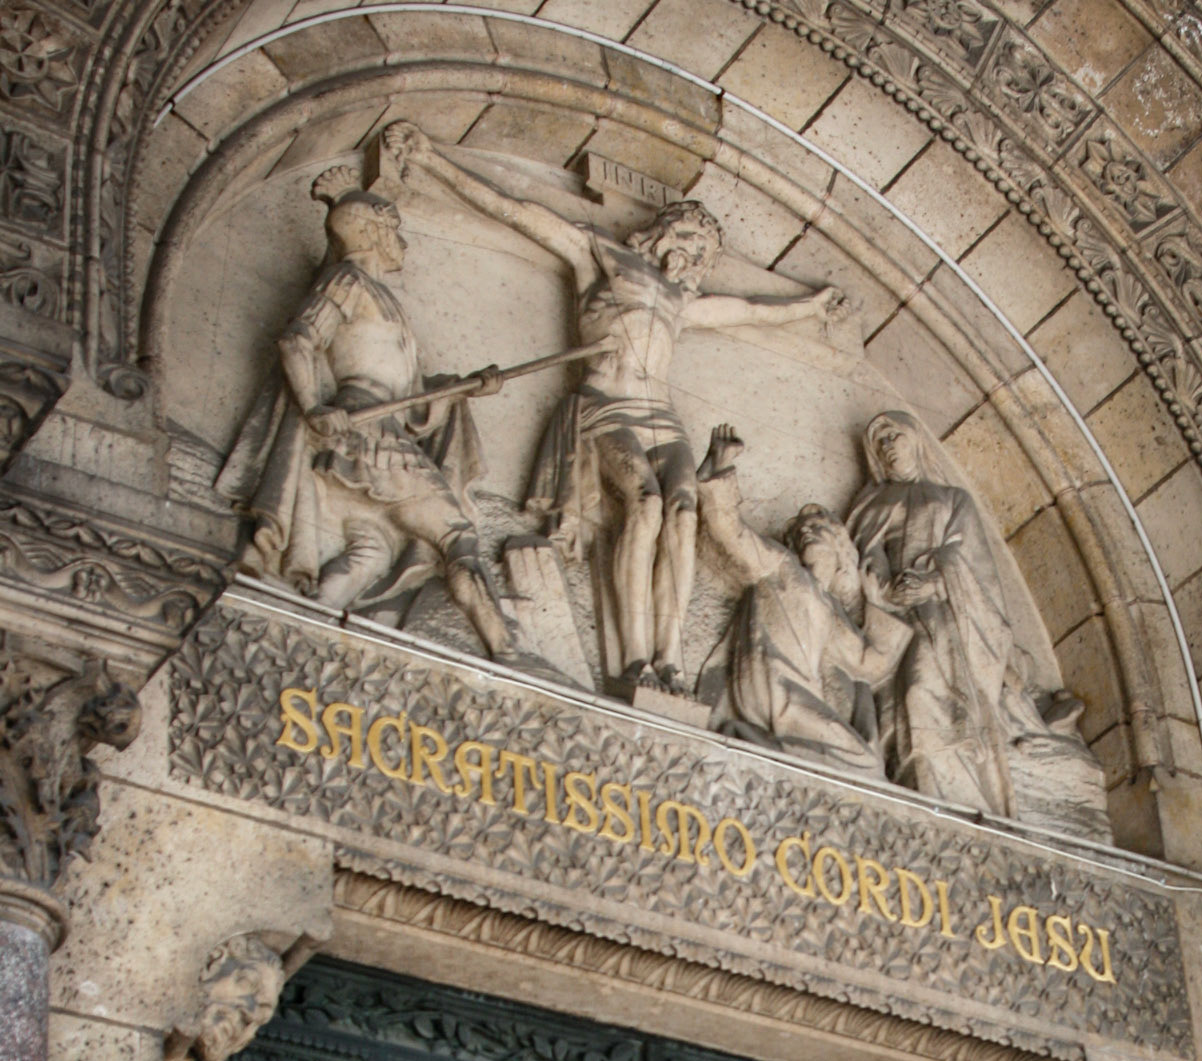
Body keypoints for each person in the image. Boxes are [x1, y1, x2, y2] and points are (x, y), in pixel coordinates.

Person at [382, 121, 842, 692]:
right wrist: (430, 159)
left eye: (704, 254)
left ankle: (669, 658)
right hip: (607, 406)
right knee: (645, 503)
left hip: (662, 419)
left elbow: (750, 308)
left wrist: (810, 307)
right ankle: (633, 657)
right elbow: (517, 209)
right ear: (667, 234)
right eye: (692, 244)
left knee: (682, 512)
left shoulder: (680, 302)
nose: (696, 259)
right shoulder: (602, 258)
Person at [218, 166, 510, 655]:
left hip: (375, 436)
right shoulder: (346, 281)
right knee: (457, 534)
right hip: (369, 437)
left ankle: (280, 637)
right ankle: (505, 650)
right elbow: (296, 340)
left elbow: (414, 396)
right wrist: (312, 405)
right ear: (372, 232)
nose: (402, 242)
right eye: (393, 229)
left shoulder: (379, 295)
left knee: (370, 552)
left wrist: (465, 388)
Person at [697, 427, 910, 776]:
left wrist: (877, 603)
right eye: (800, 532)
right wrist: (719, 467)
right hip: (775, 689)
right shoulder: (781, 566)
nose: (806, 533)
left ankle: (760, 748)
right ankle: (754, 741)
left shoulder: (832, 609)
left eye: (818, 530)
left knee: (866, 763)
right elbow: (730, 533)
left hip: (801, 697)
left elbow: (867, 663)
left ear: (842, 552)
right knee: (864, 763)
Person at [847, 410, 1016, 812]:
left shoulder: (952, 500)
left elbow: (975, 568)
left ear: (916, 440)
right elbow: (865, 552)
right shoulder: (871, 502)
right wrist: (887, 589)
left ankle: (960, 792)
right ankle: (915, 779)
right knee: (906, 691)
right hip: (891, 614)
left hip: (944, 613)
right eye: (880, 441)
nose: (888, 446)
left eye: (895, 436)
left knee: (927, 682)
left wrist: (935, 583)